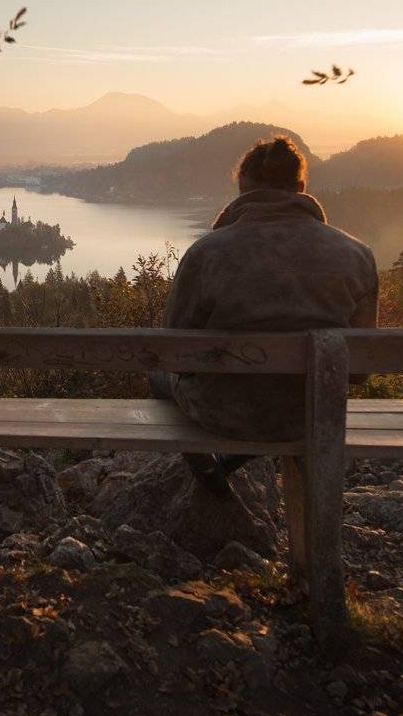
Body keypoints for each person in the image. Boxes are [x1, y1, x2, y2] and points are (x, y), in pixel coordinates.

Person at [150, 135, 378, 496]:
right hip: (313, 413)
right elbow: (359, 372)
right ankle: (224, 469)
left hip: (223, 414)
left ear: (242, 190)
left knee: (157, 374)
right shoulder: (357, 255)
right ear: (301, 187)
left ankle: (210, 473)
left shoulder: (207, 254)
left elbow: (175, 352)